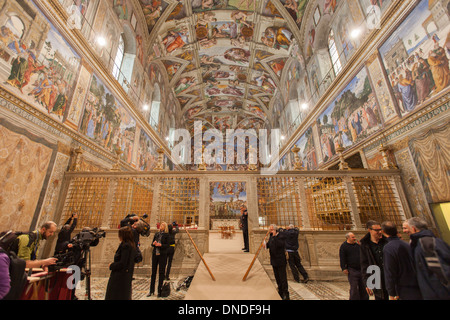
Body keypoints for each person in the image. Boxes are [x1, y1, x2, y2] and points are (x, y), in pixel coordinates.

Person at [407, 217, 450, 300]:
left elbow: (442, 272)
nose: (405, 231)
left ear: (413, 228)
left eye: (406, 228)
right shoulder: (421, 243)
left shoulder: (426, 243)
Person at [381, 221, 422, 300]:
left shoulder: (388, 248)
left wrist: (391, 292)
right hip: (416, 284)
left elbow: (390, 271)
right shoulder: (406, 244)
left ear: (383, 232)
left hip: (404, 287)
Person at [359, 220, 389, 300]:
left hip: (389, 276)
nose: (379, 232)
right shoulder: (365, 245)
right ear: (370, 230)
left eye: (380, 229)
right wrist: (367, 283)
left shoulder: (387, 242)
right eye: (377, 230)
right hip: (376, 277)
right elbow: (364, 264)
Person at [105, 226, 136, 300]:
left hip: (120, 276)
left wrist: (111, 265)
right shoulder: (131, 244)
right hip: (125, 276)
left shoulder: (126, 246)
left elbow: (123, 263)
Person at [339, 232, 369, 300]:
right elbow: (342, 258)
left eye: (354, 237)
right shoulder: (344, 246)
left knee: (363, 286)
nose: (354, 238)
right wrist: (344, 268)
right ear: (348, 238)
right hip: (352, 269)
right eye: (353, 237)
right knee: (354, 287)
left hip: (361, 269)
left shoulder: (358, 245)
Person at [265, 224, 289, 300]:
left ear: (275, 230)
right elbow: (269, 245)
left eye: (271, 230)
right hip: (274, 260)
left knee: (283, 278)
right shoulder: (271, 236)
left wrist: (275, 236)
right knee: (277, 277)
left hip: (280, 260)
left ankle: (286, 293)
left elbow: (280, 245)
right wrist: (265, 245)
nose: (270, 231)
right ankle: (280, 291)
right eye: (270, 230)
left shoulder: (281, 236)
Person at [148, 221, 170, 297]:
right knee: (153, 273)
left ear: (165, 227)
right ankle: (151, 291)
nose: (161, 226)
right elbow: (152, 243)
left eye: (163, 225)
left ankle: (159, 291)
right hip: (155, 254)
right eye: (161, 225)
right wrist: (153, 244)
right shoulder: (157, 234)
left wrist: (161, 245)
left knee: (161, 272)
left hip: (162, 255)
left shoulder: (167, 235)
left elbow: (167, 245)